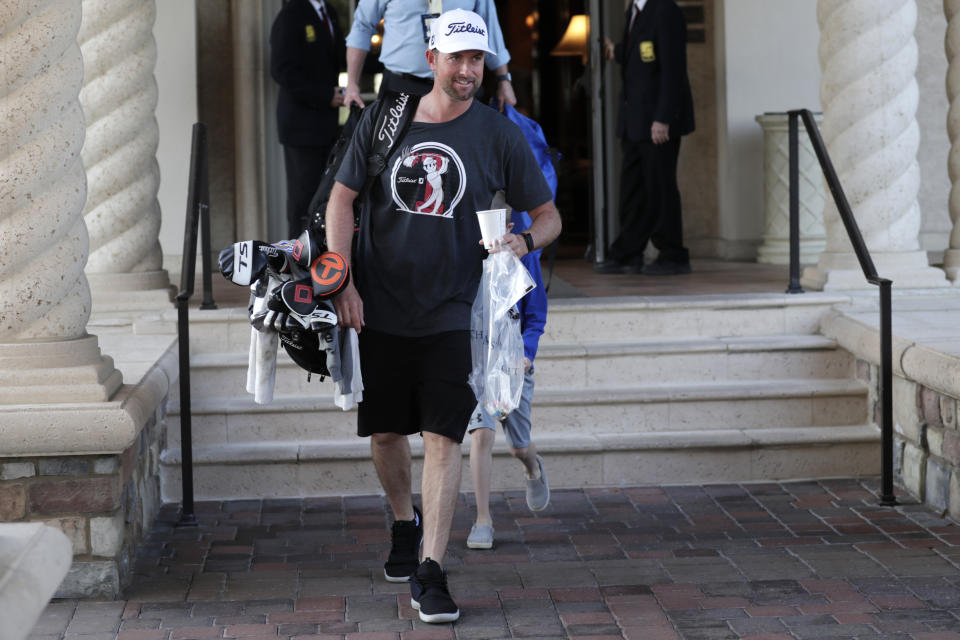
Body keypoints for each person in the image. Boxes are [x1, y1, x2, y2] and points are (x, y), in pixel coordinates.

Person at [325, 8, 561, 624]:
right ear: (430, 59)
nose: (467, 69)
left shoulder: (498, 133)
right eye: (456, 58)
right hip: (379, 304)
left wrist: (522, 243)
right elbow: (341, 202)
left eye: (476, 58)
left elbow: (549, 216)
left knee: (443, 435)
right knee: (384, 435)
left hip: (456, 310)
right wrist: (342, 278)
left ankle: (431, 569)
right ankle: (405, 521)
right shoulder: (385, 119)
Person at [466, 209, 549, 551]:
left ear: (511, 228)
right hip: (477, 365)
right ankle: (482, 519)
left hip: (514, 363)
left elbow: (536, 314)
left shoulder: (524, 262)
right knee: (481, 434)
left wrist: (527, 354)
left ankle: (532, 468)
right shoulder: (468, 262)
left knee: (518, 445)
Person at [594, 0, 695, 276]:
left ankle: (674, 255)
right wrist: (617, 51)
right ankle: (629, 253)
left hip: (657, 122)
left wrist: (663, 118)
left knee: (660, 189)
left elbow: (673, 69)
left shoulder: (665, 10)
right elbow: (642, 53)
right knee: (634, 190)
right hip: (635, 121)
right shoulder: (634, 13)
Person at [342, 0, 516, 111]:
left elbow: (489, 30)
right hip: (400, 86)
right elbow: (362, 28)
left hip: (458, 86)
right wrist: (352, 84)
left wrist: (503, 80)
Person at [270, 0, 347, 238]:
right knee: (303, 200)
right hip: (301, 125)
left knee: (324, 197)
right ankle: (297, 262)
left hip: (326, 124)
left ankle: (321, 263)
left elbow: (342, 56)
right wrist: (325, 96)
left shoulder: (329, 12)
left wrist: (390, 62)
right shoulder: (292, 14)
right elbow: (282, 70)